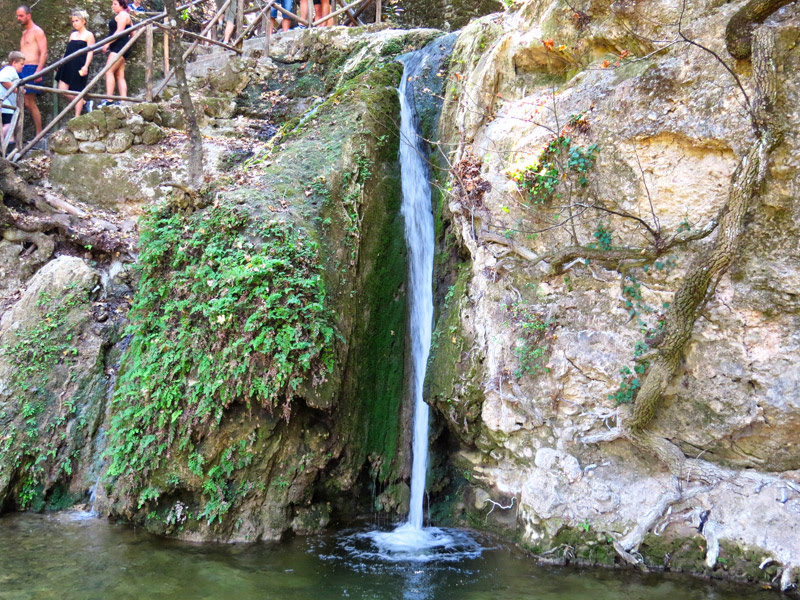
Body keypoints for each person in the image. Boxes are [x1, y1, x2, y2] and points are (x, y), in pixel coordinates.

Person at [56, 10, 95, 118]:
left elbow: (90, 51)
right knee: (62, 89)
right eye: (73, 21)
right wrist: (61, 62)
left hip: (80, 64)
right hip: (68, 65)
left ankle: (77, 116)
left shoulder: (89, 35)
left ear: (84, 21)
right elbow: (67, 51)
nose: (74, 23)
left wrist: (86, 66)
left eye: (77, 21)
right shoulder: (73, 35)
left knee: (77, 90)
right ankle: (84, 103)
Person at [16, 5, 47, 136]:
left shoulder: (37, 31)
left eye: (21, 16)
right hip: (21, 69)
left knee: (30, 102)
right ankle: (16, 135)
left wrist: (38, 72)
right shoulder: (24, 33)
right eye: (17, 16)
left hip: (33, 68)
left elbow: (44, 52)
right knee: (19, 102)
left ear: (29, 15)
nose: (19, 18)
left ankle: (39, 134)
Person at [101, 0, 132, 106]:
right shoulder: (123, 15)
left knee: (108, 71)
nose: (112, 6)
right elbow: (133, 33)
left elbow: (119, 31)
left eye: (115, 4)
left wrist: (107, 43)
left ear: (122, 5)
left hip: (119, 47)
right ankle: (123, 101)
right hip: (122, 46)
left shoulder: (123, 15)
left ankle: (109, 100)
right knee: (119, 75)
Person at [0, 51, 25, 143]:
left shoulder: (7, 70)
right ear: (14, 62)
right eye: (21, 64)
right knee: (10, 125)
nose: (23, 66)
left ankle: (7, 145)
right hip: (5, 104)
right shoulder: (10, 70)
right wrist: (18, 90)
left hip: (6, 104)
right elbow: (4, 80)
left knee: (5, 124)